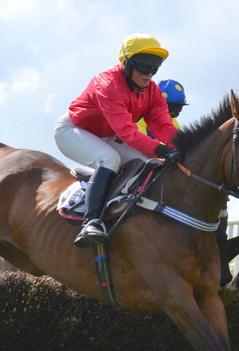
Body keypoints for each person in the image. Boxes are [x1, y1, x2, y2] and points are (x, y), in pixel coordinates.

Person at [54, 33, 181, 248]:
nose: (149, 73)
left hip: (106, 135)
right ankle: (91, 222)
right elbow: (127, 133)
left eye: (155, 67)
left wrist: (184, 147)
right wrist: (162, 150)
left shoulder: (152, 92)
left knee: (144, 163)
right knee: (108, 159)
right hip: (73, 130)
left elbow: (163, 127)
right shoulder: (107, 83)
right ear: (127, 63)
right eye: (143, 66)